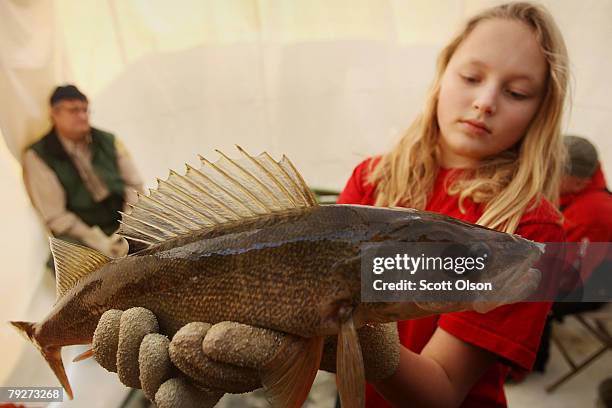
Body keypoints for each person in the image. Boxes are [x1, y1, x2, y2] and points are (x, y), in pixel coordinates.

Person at [90, 2, 569, 407]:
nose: (485, 101)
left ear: (542, 110)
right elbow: (317, 332)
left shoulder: (532, 231)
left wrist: (365, 346)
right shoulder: (371, 176)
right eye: (471, 75)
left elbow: (443, 392)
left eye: (517, 92)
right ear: (442, 74)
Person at [23, 84, 144, 261]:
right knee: (64, 258)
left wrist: (128, 227)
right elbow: (55, 215)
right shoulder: (38, 156)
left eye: (85, 110)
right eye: (74, 110)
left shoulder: (108, 140)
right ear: (54, 114)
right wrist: (97, 241)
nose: (82, 116)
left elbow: (134, 185)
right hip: (82, 230)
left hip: (123, 217)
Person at [533, 135, 612, 372]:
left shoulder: (593, 212)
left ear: (577, 182)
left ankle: (532, 363)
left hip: (596, 285)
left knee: (533, 293)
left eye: (552, 172)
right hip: (585, 264)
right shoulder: (583, 182)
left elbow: (570, 275)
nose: (544, 176)